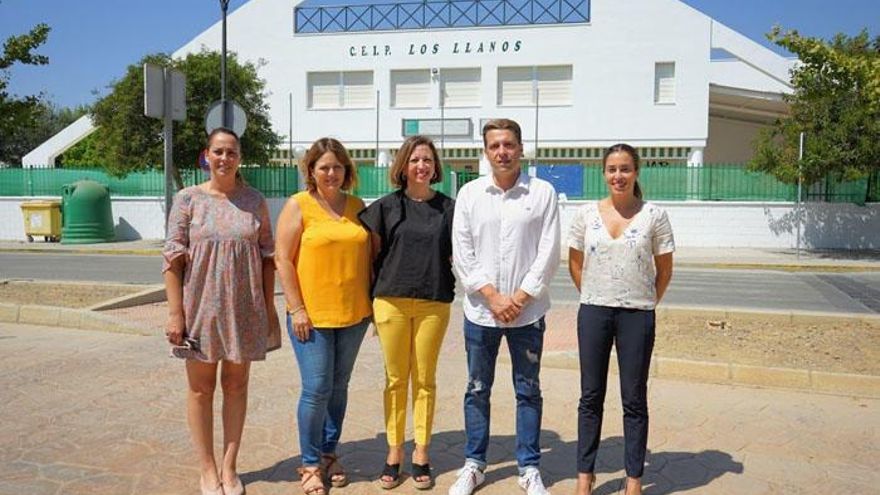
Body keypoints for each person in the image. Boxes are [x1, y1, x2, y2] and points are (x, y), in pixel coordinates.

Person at [163, 127, 277, 495]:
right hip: (199, 310)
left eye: (231, 152)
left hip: (244, 309)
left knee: (236, 384)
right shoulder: (188, 199)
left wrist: (269, 307)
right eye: (218, 151)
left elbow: (267, 258)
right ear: (206, 156)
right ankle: (207, 469)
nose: (224, 158)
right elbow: (172, 258)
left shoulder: (255, 201)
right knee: (200, 389)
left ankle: (230, 467)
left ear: (239, 157)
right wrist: (175, 313)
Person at [449, 119, 560, 495]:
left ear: (520, 147)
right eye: (495, 145)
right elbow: (462, 253)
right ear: (485, 151)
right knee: (477, 388)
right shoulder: (469, 194)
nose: (502, 152)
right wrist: (494, 297)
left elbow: (548, 252)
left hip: (527, 315)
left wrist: (520, 298)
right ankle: (474, 465)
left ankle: (529, 468)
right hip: (481, 313)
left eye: (509, 144)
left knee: (528, 390)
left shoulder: (543, 193)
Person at [567, 144, 674, 495]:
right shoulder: (586, 215)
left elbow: (664, 269)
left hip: (637, 316)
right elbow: (576, 264)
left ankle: (633, 480)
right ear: (603, 172)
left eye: (625, 168)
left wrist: (642, 301)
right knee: (590, 397)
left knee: (633, 399)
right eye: (612, 169)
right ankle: (585, 475)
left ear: (636, 172)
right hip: (594, 312)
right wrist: (598, 294)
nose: (618, 175)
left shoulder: (654, 215)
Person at [275, 137, 372, 495]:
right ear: (311, 171)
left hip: (354, 315)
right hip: (310, 317)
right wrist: (296, 307)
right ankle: (310, 463)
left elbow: (371, 257)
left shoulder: (357, 206)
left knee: (339, 388)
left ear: (346, 170)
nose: (331, 173)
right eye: (324, 167)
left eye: (337, 167)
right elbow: (282, 258)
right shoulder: (298, 205)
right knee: (316, 389)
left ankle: (330, 452)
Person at [358, 135, 456, 490]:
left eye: (427, 160)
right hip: (391, 302)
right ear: (403, 165)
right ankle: (394, 452)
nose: (421, 166)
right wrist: (369, 303)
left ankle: (422, 454)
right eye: (415, 159)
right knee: (396, 380)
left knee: (426, 380)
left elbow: (460, 253)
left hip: (433, 301)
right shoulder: (384, 208)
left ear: (435, 166)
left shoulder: (449, 208)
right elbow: (371, 258)